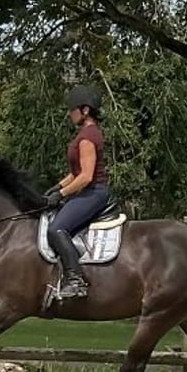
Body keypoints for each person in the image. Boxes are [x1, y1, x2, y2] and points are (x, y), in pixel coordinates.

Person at [43, 85, 110, 299]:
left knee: (56, 229)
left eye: (72, 109)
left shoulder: (88, 137)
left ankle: (76, 280)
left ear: (85, 110)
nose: (69, 113)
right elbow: (75, 174)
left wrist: (61, 195)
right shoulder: (85, 134)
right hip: (87, 191)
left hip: (94, 192)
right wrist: (57, 187)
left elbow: (86, 176)